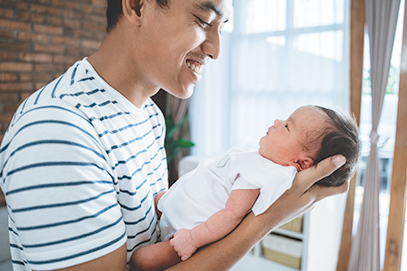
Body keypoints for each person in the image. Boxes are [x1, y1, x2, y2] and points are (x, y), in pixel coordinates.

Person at [0, 0, 350, 270]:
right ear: (137, 5)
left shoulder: (149, 116)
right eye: (202, 21)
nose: (215, 50)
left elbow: (158, 231)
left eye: (222, 29)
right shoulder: (58, 131)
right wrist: (265, 220)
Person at [130, 105, 361, 270]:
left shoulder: (263, 175)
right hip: (175, 203)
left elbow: (231, 215)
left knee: (142, 260)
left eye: (288, 126)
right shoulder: (256, 160)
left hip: (185, 230)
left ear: (301, 163)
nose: (277, 122)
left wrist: (191, 239)